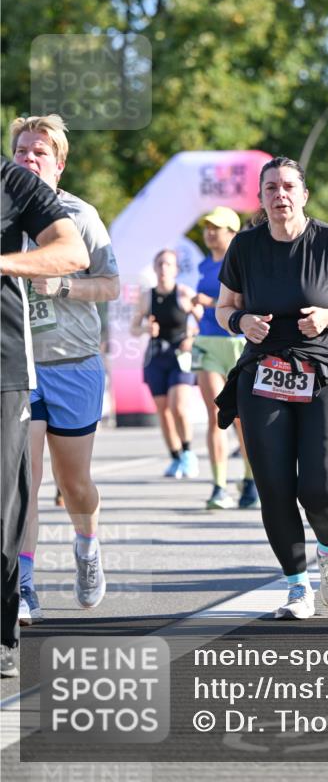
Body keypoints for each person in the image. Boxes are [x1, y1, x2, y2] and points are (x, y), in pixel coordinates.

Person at [215, 156, 328, 620]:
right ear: (261, 198)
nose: (280, 195)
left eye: (288, 187)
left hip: (325, 370)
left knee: (321, 487)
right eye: (271, 188)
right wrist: (241, 321)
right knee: (274, 485)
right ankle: (297, 586)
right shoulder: (245, 246)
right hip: (265, 371)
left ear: (303, 195)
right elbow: (224, 307)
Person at [11, 115, 120, 626]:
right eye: (22, 150)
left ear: (59, 164)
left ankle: (87, 543)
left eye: (40, 152)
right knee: (24, 481)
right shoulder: (4, 213)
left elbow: (111, 285)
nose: (29, 158)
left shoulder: (79, 214)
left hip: (73, 364)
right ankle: (23, 584)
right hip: (19, 365)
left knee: (73, 483)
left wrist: (63, 286)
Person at [1, 156, 89, 677]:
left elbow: (73, 252)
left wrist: (4, 263)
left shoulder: (12, 182)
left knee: (8, 501)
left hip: (8, 364)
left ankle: (2, 631)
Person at [191, 207, 258, 509]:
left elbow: (244, 302)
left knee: (243, 417)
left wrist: (209, 302)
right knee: (216, 415)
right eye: (207, 227)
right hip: (207, 342)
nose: (209, 233)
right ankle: (219, 486)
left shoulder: (243, 263)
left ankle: (250, 478)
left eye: (216, 228)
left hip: (237, 344)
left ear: (232, 233)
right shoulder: (204, 265)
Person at [131, 250, 199, 478]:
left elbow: (203, 321)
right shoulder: (147, 296)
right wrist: (145, 329)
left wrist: (191, 337)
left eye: (168, 264)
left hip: (180, 356)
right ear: (154, 268)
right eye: (160, 264)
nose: (163, 268)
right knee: (163, 411)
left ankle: (188, 453)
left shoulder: (184, 293)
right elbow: (133, 328)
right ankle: (175, 457)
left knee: (178, 406)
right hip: (155, 357)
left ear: (176, 269)